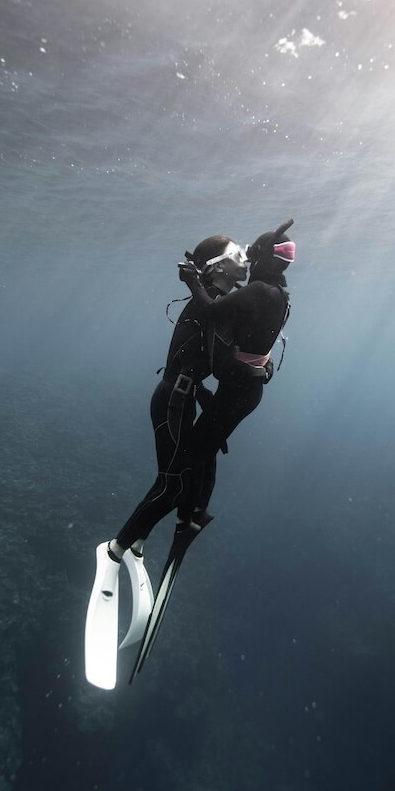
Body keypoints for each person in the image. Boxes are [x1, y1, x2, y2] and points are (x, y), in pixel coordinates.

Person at [84, 234, 249, 689]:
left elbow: (210, 357)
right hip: (174, 401)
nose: (245, 260)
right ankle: (114, 550)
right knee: (173, 483)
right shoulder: (209, 302)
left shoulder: (215, 299)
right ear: (216, 267)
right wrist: (253, 368)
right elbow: (217, 357)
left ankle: (138, 545)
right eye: (237, 255)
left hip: (184, 398)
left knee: (185, 478)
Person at [174, 218, 295, 528]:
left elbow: (211, 309)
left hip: (238, 391)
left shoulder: (259, 289)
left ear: (264, 258)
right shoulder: (278, 292)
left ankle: (188, 516)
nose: (249, 261)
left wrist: (192, 281)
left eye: (253, 255)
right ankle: (198, 513)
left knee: (196, 450)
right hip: (246, 389)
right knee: (208, 448)